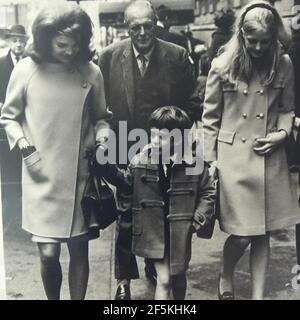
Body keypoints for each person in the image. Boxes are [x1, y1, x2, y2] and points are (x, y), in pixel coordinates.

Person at [0, 3, 111, 300]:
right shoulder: (26, 70)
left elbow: (102, 119)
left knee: (78, 247)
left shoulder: (92, 72)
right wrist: (26, 149)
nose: (70, 50)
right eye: (63, 44)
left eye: (76, 44)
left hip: (80, 175)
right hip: (39, 172)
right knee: (48, 253)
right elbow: (9, 117)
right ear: (46, 38)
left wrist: (102, 142)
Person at [98, 0, 201, 300]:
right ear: (125, 27)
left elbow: (192, 102)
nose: (142, 33)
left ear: (156, 23)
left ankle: (155, 265)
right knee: (127, 214)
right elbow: (100, 105)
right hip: (125, 147)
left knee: (160, 212)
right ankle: (123, 280)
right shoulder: (108, 57)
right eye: (135, 28)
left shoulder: (176, 55)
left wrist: (174, 137)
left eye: (147, 26)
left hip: (167, 149)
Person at [202, 1, 300, 300]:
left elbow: (287, 109)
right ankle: (226, 273)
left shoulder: (283, 63)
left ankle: (257, 296)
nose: (258, 48)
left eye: (265, 42)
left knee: (264, 232)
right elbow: (209, 119)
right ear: (241, 35)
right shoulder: (223, 65)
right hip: (234, 160)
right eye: (252, 41)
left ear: (274, 38)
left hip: (269, 157)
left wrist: (282, 134)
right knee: (243, 233)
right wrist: (210, 162)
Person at [96, 106, 216, 300]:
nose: (153, 141)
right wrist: (107, 169)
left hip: (179, 233)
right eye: (152, 135)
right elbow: (126, 182)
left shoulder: (194, 164)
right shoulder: (141, 160)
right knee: (165, 279)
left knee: (178, 278)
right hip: (154, 232)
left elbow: (208, 191)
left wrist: (197, 220)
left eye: (160, 137)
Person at [0, 24, 28, 237]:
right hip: (3, 128)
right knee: (7, 173)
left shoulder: (31, 63)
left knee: (25, 170)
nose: (18, 44)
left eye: (21, 40)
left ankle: (26, 219)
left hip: (27, 126)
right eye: (14, 40)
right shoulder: (0, 63)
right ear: (8, 41)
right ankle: (9, 220)